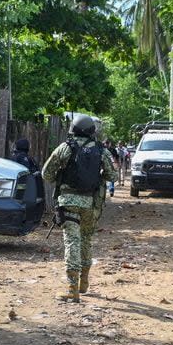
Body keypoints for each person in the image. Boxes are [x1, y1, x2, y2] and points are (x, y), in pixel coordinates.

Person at [42, 114, 117, 302]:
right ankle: (84, 282)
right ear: (93, 131)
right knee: (85, 240)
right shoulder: (101, 150)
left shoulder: (65, 148)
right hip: (90, 204)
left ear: (72, 129)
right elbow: (112, 176)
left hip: (68, 202)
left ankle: (71, 288)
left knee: (72, 241)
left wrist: (62, 175)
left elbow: (46, 174)